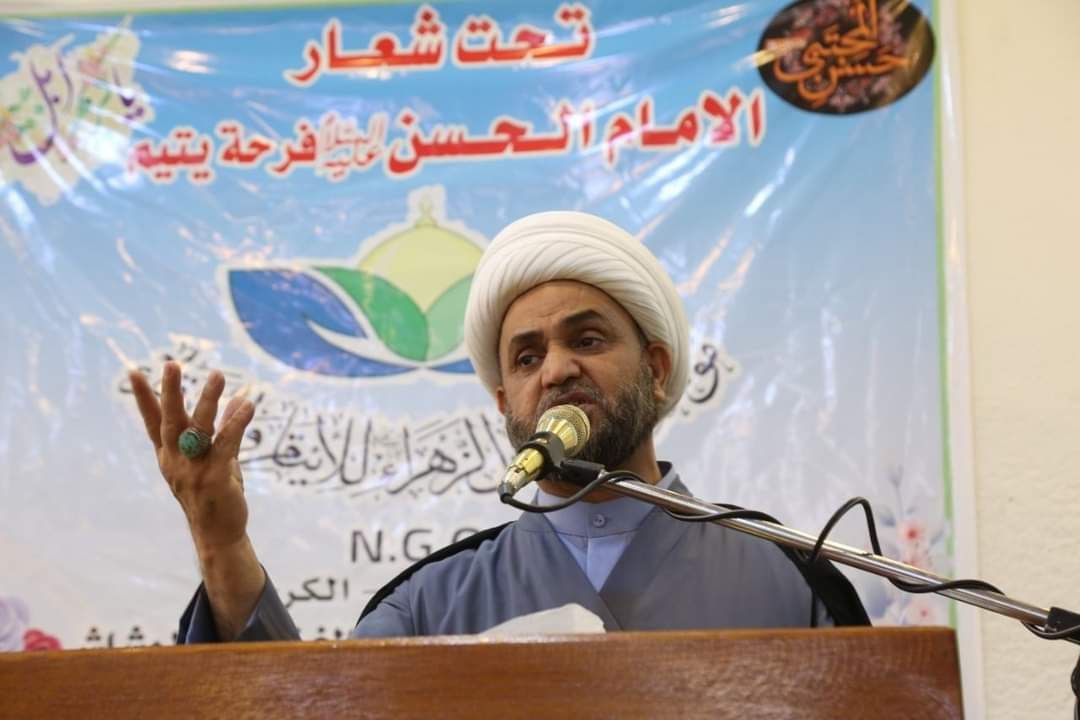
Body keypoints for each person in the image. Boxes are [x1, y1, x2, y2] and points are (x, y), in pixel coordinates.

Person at [128, 210, 868, 642]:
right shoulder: (429, 602)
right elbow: (300, 706)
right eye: (527, 357)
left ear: (656, 369)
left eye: (587, 340)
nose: (557, 371)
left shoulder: (791, 577)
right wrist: (220, 543)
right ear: (504, 403)